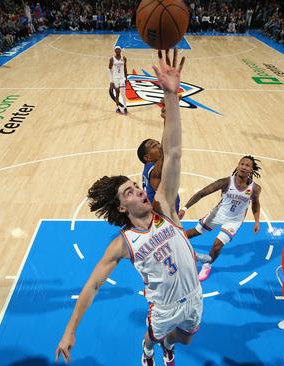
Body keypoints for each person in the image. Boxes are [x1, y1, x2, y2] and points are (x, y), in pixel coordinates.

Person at [56, 50, 200, 366]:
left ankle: (167, 344)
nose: (140, 192)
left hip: (194, 298)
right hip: (162, 307)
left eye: (136, 187)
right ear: (122, 208)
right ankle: (148, 347)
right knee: (155, 335)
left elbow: (173, 153)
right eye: (130, 193)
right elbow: (92, 285)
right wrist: (70, 330)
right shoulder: (124, 244)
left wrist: (171, 96)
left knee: (186, 338)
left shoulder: (164, 208)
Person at [178, 156, 263, 281]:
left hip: (234, 221)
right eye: (242, 164)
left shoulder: (255, 188)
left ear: (251, 169)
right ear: (238, 165)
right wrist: (184, 208)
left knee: (217, 245)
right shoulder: (226, 182)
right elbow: (202, 193)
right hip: (218, 214)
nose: (244, 167)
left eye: (247, 165)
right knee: (194, 232)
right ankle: (173, 242)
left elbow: (255, 204)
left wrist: (257, 221)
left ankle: (207, 265)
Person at [108, 46, 128, 115]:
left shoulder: (124, 58)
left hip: (122, 78)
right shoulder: (112, 59)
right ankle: (118, 108)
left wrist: (126, 78)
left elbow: (125, 68)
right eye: (116, 49)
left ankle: (125, 107)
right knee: (117, 93)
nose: (118, 50)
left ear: (120, 50)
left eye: (119, 49)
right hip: (115, 78)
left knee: (123, 93)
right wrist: (111, 81)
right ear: (114, 51)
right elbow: (109, 69)